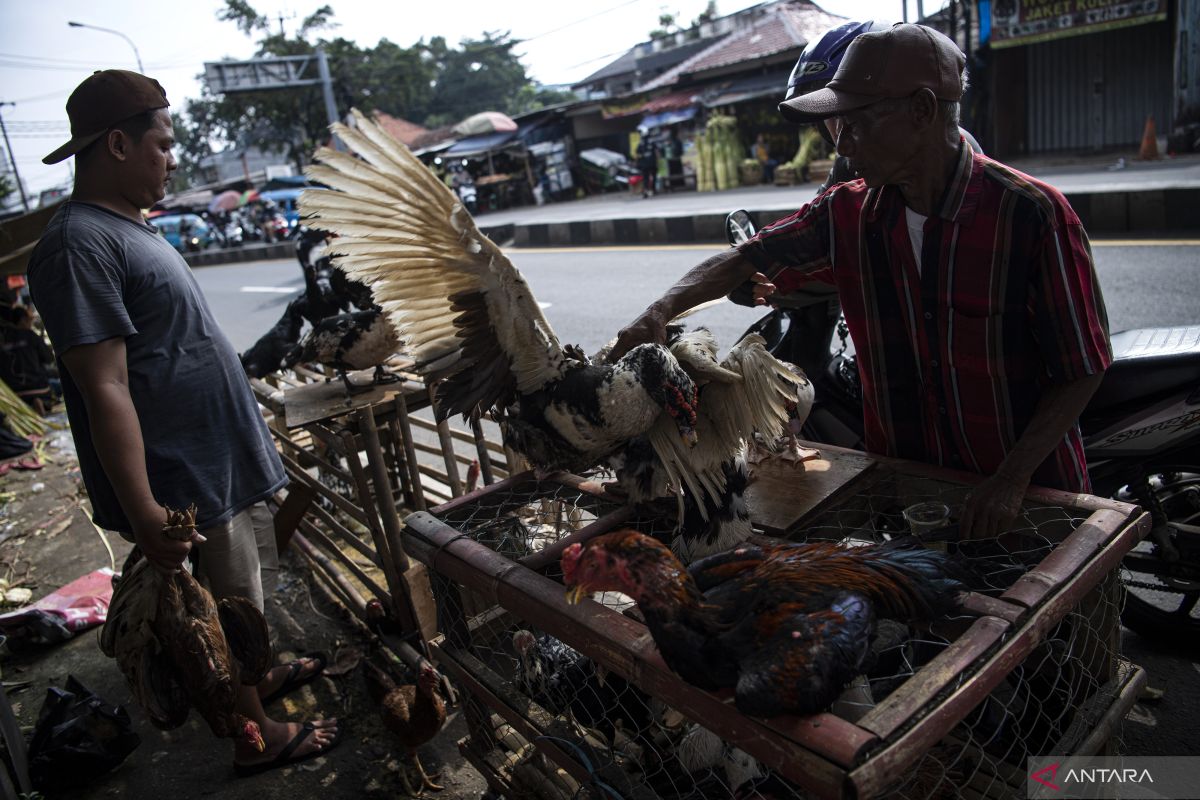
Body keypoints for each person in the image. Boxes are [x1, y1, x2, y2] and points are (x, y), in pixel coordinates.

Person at [611, 24, 1111, 541]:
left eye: (856, 124)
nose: (844, 146)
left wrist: (1012, 479)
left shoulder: (1031, 214)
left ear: (922, 109)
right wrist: (659, 310)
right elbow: (748, 257)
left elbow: (1081, 368)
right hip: (908, 487)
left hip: (1025, 497)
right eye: (838, 127)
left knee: (1053, 617)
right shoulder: (848, 210)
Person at [27, 69, 339, 774]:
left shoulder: (127, 227)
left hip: (219, 462)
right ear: (116, 144)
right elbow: (104, 384)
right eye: (163, 145)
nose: (172, 159)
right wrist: (145, 512)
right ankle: (254, 737)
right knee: (216, 619)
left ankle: (258, 683)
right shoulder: (78, 245)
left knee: (247, 602)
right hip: (184, 479)